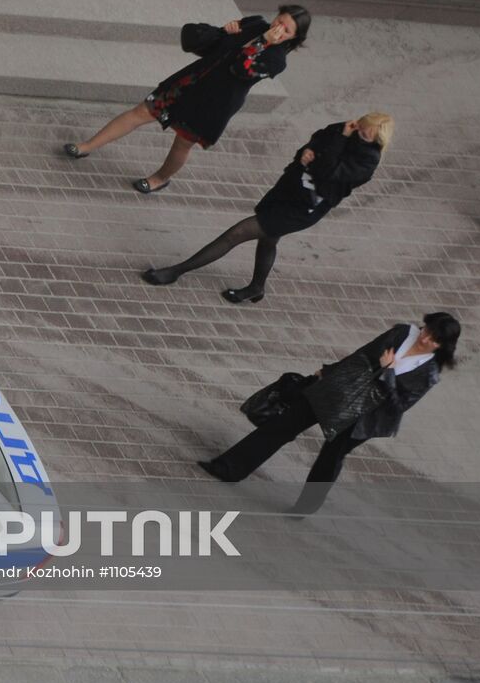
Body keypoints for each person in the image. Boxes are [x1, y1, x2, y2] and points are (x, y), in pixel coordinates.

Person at [198, 313, 461, 514]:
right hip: (338, 391)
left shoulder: (429, 374)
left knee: (330, 457)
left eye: (434, 339)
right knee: (281, 426)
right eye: (427, 330)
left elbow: (398, 405)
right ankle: (228, 468)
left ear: (442, 346)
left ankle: (305, 507)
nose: (425, 339)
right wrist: (328, 371)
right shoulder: (402, 333)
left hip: (365, 417)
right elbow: (362, 354)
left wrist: (389, 372)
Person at [140, 113, 392, 303]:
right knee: (269, 239)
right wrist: (306, 152)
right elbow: (316, 140)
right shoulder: (343, 130)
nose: (358, 131)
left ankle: (176, 271)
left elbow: (329, 170)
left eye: (365, 134)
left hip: (304, 207)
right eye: (360, 126)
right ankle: (257, 287)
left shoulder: (366, 162)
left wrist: (339, 141)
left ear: (376, 139)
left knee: (237, 234)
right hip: (288, 189)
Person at [63, 5, 311, 194]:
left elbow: (241, 70)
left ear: (293, 38)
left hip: (213, 104)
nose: (278, 28)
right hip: (191, 82)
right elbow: (215, 45)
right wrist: (226, 30)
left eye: (286, 29)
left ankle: (160, 179)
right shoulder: (256, 23)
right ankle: (87, 147)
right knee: (140, 112)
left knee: (182, 143)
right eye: (280, 20)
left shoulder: (277, 60)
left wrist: (263, 44)